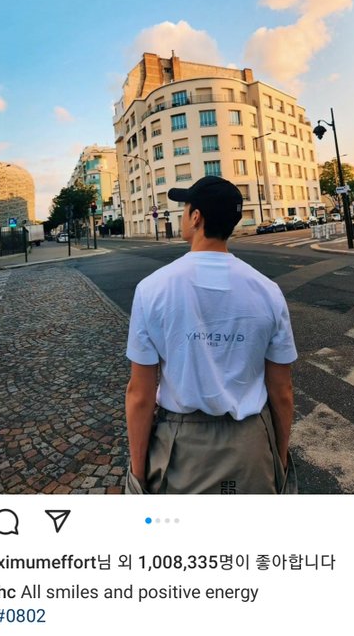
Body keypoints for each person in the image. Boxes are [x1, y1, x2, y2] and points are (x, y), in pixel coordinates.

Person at [125, 175, 297, 494]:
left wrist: (137, 475)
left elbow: (140, 394)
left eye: (184, 208)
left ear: (196, 217)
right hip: (251, 444)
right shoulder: (268, 291)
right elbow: (282, 390)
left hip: (181, 447)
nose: (182, 215)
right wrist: (280, 458)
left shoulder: (152, 289)